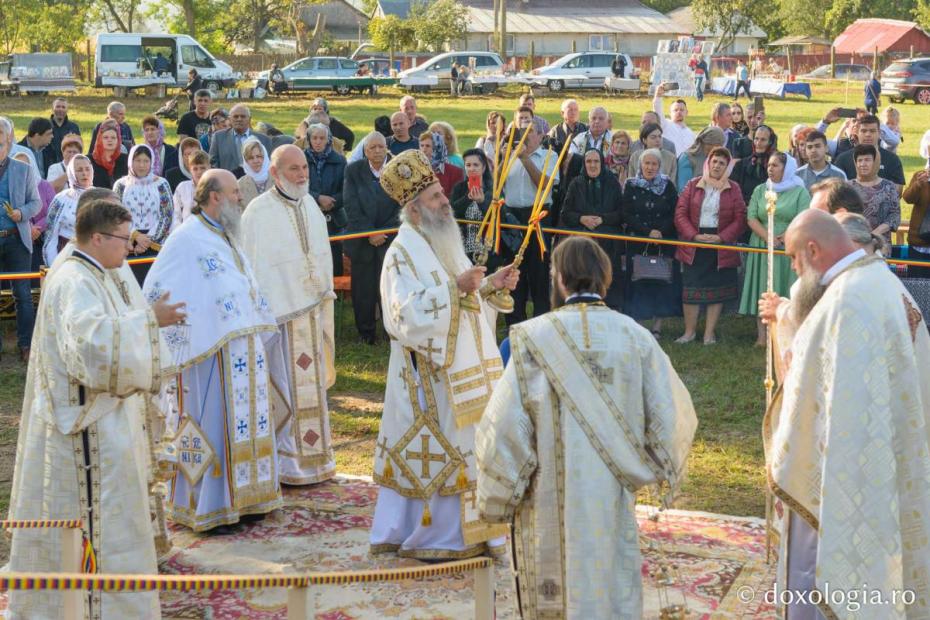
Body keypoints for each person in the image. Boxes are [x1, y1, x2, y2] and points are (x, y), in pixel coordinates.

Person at [475, 235, 697, 619]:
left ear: (559, 279)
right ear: (604, 278)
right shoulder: (636, 337)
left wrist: (498, 493)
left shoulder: (530, 339)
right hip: (612, 488)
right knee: (610, 572)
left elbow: (505, 426)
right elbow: (672, 415)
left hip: (549, 491)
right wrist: (658, 465)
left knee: (557, 581)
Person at [7, 198, 184, 619]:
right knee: (100, 524)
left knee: (122, 523)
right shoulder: (73, 280)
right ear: (99, 237)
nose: (131, 246)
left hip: (109, 419)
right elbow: (90, 347)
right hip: (85, 434)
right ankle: (94, 608)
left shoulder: (101, 270)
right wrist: (149, 323)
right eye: (124, 239)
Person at [764, 208, 930, 620]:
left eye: (793, 258)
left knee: (820, 562)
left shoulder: (847, 300)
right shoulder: (876, 281)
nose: (795, 268)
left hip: (840, 469)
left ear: (814, 249)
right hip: (876, 455)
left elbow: (819, 391)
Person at [370, 149, 519, 560]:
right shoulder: (402, 253)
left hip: (461, 369)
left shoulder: (442, 240)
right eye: (436, 197)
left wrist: (490, 285)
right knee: (447, 450)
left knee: (472, 446)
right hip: (429, 376)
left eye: (440, 194)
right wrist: (457, 289)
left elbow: (464, 296)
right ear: (415, 211)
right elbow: (403, 316)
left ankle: (479, 533)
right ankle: (440, 536)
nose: (445, 203)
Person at [143, 169, 283, 533]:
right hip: (209, 353)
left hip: (242, 349)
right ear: (215, 196)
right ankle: (210, 505)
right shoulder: (186, 238)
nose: (241, 198)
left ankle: (249, 498)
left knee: (247, 425)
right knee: (213, 427)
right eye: (235, 192)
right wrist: (190, 331)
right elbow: (157, 290)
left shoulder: (228, 234)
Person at [239, 145, 337, 485]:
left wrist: (322, 291)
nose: (302, 174)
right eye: (294, 169)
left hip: (311, 313)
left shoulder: (309, 203)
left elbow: (321, 254)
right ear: (275, 173)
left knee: (313, 393)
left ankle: (317, 461)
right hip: (280, 319)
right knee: (285, 391)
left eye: (304, 167)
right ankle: (287, 466)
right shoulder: (257, 212)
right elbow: (255, 267)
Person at [674, 147, 747, 344]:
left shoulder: (734, 188)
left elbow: (740, 218)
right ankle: (689, 333)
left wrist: (722, 237)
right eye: (714, 161)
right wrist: (693, 235)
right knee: (691, 288)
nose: (717, 166)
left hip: (720, 244)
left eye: (722, 163)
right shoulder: (692, 185)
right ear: (708, 163)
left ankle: (709, 334)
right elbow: (680, 214)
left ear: (727, 167)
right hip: (695, 243)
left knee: (717, 289)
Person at [738, 152, 810, 345]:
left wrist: (785, 235)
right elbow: (751, 217)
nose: (770, 169)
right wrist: (769, 237)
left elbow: (803, 217)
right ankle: (762, 336)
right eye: (769, 165)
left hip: (789, 245)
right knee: (763, 287)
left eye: (775, 165)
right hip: (762, 243)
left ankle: (785, 335)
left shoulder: (800, 192)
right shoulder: (761, 189)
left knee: (786, 285)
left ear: (787, 169)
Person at [343, 132, 400, 344]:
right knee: (363, 289)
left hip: (390, 240)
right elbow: (351, 205)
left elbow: (403, 205)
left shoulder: (399, 168)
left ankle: (391, 331)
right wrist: (370, 232)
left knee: (390, 288)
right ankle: (365, 333)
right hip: (362, 240)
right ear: (365, 150)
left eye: (380, 147)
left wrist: (383, 233)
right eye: (371, 148)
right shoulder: (354, 170)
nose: (376, 151)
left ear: (386, 147)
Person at [502, 125, 559, 324]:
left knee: (538, 273)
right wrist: (505, 157)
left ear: (541, 136)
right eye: (521, 133)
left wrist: (525, 158)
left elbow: (544, 184)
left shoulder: (548, 156)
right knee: (513, 270)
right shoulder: (510, 155)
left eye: (530, 132)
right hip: (512, 217)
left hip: (538, 214)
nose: (524, 136)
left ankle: (541, 322)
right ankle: (514, 323)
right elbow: (497, 183)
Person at [623, 148, 682, 336]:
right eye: (646, 163)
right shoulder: (631, 185)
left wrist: (659, 232)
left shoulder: (668, 186)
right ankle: (639, 325)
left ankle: (657, 326)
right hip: (639, 240)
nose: (650, 167)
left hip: (662, 242)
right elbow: (626, 213)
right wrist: (647, 232)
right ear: (640, 165)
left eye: (654, 164)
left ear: (659, 166)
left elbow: (675, 212)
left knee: (661, 282)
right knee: (638, 282)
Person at [560, 148, 624, 309]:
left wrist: (603, 219)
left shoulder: (612, 182)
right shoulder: (576, 183)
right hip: (583, 244)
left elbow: (621, 213)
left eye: (596, 161)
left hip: (608, 243)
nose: (593, 165)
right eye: (589, 161)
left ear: (602, 163)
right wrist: (582, 219)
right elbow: (566, 213)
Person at [0, 119, 40, 362]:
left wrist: (21, 214)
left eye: (1, 144)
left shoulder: (22, 169)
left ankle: (26, 345)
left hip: (16, 238)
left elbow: (36, 203)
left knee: (23, 295)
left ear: (9, 144)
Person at [113, 144, 174, 285]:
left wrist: (148, 240)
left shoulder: (161, 184)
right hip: (128, 242)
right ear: (130, 162)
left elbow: (167, 215)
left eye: (146, 161)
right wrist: (135, 235)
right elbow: (116, 215)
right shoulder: (121, 185)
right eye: (138, 161)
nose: (142, 165)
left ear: (151, 162)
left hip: (155, 241)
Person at [305, 122, 348, 276]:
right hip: (308, 216)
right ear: (309, 140)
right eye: (314, 138)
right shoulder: (301, 160)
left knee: (334, 257)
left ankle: (338, 296)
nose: (318, 142)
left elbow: (346, 191)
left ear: (328, 140)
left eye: (321, 138)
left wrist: (331, 201)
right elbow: (297, 188)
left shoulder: (340, 161)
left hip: (333, 218)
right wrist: (317, 198)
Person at [451, 148, 506, 266]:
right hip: (463, 247)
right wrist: (467, 198)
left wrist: (482, 202)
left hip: (487, 248)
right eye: (468, 165)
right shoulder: (459, 188)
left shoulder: (494, 189)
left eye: (476, 165)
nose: (471, 169)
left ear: (484, 167)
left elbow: (500, 216)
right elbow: (452, 213)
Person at [43, 154, 95, 266]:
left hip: (95, 256)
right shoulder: (61, 199)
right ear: (71, 172)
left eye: (87, 169)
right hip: (67, 258)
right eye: (79, 170)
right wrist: (53, 266)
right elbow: (51, 236)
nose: (84, 173)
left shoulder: (102, 197)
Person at [849, 144, 900, 247]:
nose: (863, 164)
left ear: (875, 162)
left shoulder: (889, 186)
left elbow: (894, 216)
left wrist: (874, 234)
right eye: (859, 160)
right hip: (854, 244)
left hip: (880, 244)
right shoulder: (847, 187)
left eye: (867, 160)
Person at [833, 114, 905, 187]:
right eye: (863, 131)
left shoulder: (892, 159)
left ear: (879, 133)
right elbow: (836, 188)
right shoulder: (843, 159)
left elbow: (897, 190)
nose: (868, 134)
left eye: (872, 131)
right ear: (857, 133)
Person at [209, 104, 272, 172]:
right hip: (228, 180)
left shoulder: (263, 139)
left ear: (249, 119)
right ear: (230, 119)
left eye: (243, 116)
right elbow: (213, 162)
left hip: (254, 180)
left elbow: (268, 164)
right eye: (236, 117)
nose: (239, 119)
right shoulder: (218, 137)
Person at [731, 124, 777, 204]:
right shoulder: (741, 165)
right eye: (756, 139)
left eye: (763, 140)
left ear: (770, 142)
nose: (758, 143)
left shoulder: (777, 166)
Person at [903, 165, 930, 277]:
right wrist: (918, 184)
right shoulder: (920, 176)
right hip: (918, 242)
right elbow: (907, 198)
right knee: (916, 282)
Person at [172, 150, 210, 229]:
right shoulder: (182, 187)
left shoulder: (215, 187)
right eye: (195, 169)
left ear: (209, 167)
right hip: (186, 231)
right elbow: (175, 213)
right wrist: (179, 230)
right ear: (190, 169)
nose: (199, 172)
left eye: (202, 168)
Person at [419, 131, 464, 198]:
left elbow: (456, 200)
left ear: (438, 148)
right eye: (422, 146)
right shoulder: (416, 170)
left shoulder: (456, 172)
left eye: (428, 146)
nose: (423, 150)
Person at [653, 84, 695, 154]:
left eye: (681, 110)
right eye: (675, 110)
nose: (679, 112)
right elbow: (657, 110)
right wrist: (658, 96)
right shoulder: (665, 125)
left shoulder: (691, 134)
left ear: (686, 112)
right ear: (670, 113)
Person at [90, 120, 129, 189]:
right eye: (105, 137)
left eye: (113, 138)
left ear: (118, 140)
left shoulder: (126, 160)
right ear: (100, 140)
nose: (109, 140)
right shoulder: (90, 160)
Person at [236, 137, 271, 209]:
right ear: (246, 161)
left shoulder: (278, 181)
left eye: (259, 156)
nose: (255, 161)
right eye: (251, 158)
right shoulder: (240, 185)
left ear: (265, 158)